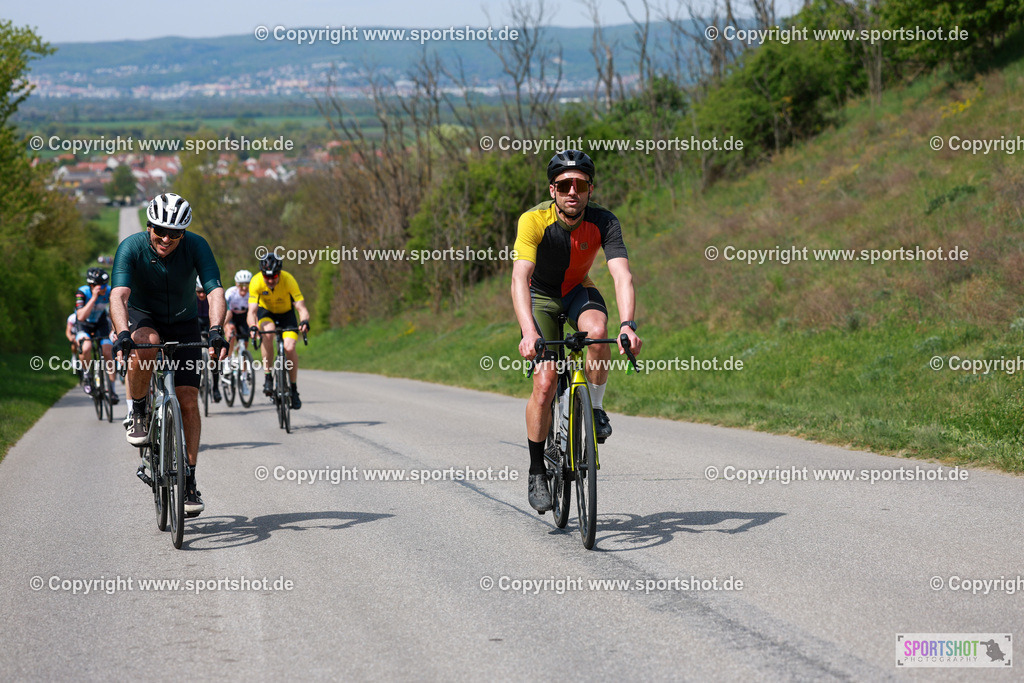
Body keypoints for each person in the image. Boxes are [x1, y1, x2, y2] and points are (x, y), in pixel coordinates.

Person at [511, 150, 643, 512]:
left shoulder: (604, 221)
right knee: (544, 383)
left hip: (576, 292)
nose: (573, 191)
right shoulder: (533, 220)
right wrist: (528, 332)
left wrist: (627, 324)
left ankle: (596, 410)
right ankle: (537, 470)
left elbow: (621, 275)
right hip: (540, 297)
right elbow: (519, 278)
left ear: (590, 188)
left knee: (599, 332)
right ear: (553, 190)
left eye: (580, 184)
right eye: (565, 185)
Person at [110, 192, 227, 517]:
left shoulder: (197, 246)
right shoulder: (131, 247)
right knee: (146, 343)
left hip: (184, 321)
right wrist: (122, 334)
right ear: (149, 225)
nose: (166, 238)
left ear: (184, 233)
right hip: (142, 315)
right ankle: (138, 411)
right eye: (160, 230)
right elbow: (118, 295)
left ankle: (188, 479)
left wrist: (216, 329)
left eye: (174, 233)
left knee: (188, 400)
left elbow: (215, 290)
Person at [247, 254, 309, 410]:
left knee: (289, 347)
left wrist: (304, 321)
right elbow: (252, 311)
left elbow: (301, 308)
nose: (270, 280)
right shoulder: (256, 281)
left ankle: (294, 389)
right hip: (266, 312)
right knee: (267, 333)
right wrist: (253, 326)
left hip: (286, 314)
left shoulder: (289, 280)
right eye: (266, 276)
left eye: (274, 276)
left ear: (280, 273)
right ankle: (268, 376)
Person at [75, 268, 119, 403]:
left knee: (108, 351)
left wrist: (114, 329)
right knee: (86, 347)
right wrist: (94, 298)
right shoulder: (82, 292)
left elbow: (114, 312)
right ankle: (87, 376)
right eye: (102, 285)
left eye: (106, 284)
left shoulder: (110, 291)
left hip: (101, 324)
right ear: (92, 285)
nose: (105, 288)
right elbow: (81, 316)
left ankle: (111, 390)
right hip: (84, 325)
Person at [195, 276, 222, 403]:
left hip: (210, 321)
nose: (201, 294)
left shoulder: (212, 297)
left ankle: (216, 388)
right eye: (198, 291)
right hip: (196, 322)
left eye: (203, 291)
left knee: (214, 353)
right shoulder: (190, 297)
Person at [223, 269, 252, 357]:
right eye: (241, 284)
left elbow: (254, 312)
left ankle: (244, 370)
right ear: (236, 284)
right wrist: (226, 325)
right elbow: (225, 310)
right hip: (231, 315)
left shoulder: (251, 293)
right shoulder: (230, 293)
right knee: (231, 334)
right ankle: (228, 359)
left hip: (244, 317)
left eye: (246, 284)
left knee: (244, 343)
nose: (244, 287)